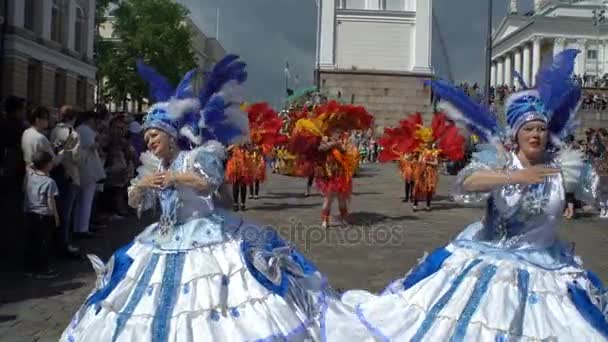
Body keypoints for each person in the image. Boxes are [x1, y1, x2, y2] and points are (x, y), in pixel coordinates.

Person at [323, 49, 608, 341]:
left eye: (541, 129)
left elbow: (600, 194)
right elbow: (466, 182)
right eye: (529, 129)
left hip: (549, 265)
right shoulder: (500, 162)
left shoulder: (565, 169)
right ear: (517, 134)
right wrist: (515, 176)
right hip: (495, 260)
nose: (536, 134)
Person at [62, 56, 328, 342]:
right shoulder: (153, 166)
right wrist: (141, 186)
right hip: (163, 237)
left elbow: (208, 184)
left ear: (171, 137)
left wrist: (176, 178)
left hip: (203, 232)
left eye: (155, 136)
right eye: (148, 138)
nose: (150, 142)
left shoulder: (196, 157)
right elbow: (136, 203)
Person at [50, 105, 81, 257]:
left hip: (56, 172)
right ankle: (64, 245)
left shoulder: (54, 130)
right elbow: (76, 158)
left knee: (56, 210)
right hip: (70, 175)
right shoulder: (73, 134)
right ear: (73, 118)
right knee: (66, 213)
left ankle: (55, 242)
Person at [23, 151, 60, 279]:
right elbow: (51, 200)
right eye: (50, 162)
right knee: (44, 243)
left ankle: (29, 268)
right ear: (46, 165)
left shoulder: (29, 175)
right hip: (44, 215)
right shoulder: (49, 182)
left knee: (32, 241)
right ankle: (43, 269)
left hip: (30, 213)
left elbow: (29, 166)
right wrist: (55, 216)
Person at [74, 111, 106, 238]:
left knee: (80, 201)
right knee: (86, 199)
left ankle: (78, 227)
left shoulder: (78, 129)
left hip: (81, 166)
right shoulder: (85, 130)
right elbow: (93, 145)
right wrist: (99, 141)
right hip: (88, 167)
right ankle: (83, 228)